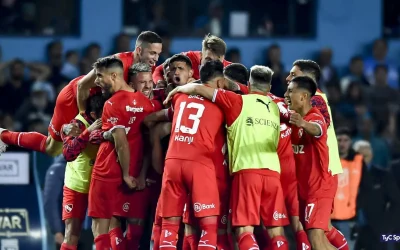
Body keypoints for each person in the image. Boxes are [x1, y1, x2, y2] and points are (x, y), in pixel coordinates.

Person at [164, 61, 289, 250]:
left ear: (249, 82)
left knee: (244, 232)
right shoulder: (275, 106)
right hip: (273, 173)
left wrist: (179, 89)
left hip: (246, 172)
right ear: (270, 87)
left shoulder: (237, 101)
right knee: (276, 233)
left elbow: (204, 90)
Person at [0, 31, 163, 157]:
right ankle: (5, 135)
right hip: (73, 97)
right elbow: (83, 86)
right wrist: (83, 117)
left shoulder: (150, 68)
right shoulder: (117, 62)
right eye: (152, 53)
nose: (156, 58)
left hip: (96, 106)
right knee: (52, 148)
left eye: (158, 54)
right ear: (139, 50)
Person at [158, 60, 227, 250]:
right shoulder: (223, 101)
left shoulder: (179, 97)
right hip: (199, 163)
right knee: (209, 228)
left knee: (169, 228)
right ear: (220, 82)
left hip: (172, 162)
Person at [87, 56, 154, 249]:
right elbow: (150, 143)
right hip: (135, 172)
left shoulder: (112, 103)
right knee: (133, 231)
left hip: (108, 171)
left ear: (114, 75)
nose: (97, 81)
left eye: (100, 76)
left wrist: (125, 173)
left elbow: (120, 139)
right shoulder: (147, 104)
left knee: (101, 230)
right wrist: (141, 174)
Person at [245, 66, 310, 250]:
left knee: (257, 224)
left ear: (250, 84)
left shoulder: (246, 101)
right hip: (288, 169)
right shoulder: (281, 104)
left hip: (264, 167)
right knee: (295, 224)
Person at [286, 60, 349, 249]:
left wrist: (304, 124)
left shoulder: (317, 102)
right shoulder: (307, 102)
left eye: (294, 75)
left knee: (316, 234)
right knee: (324, 230)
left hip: (322, 172)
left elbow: (320, 126)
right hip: (312, 174)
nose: (288, 78)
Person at [60, 94, 105, 250]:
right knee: (72, 232)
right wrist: (88, 132)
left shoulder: (112, 120)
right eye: (104, 115)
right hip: (76, 185)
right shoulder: (77, 124)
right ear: (93, 115)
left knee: (102, 232)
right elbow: (68, 154)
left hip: (99, 185)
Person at [331, 127, 363, 250]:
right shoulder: (326, 158)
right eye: (339, 140)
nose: (342, 143)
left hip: (350, 220)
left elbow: (364, 188)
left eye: (345, 140)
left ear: (350, 142)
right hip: (327, 219)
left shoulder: (358, 160)